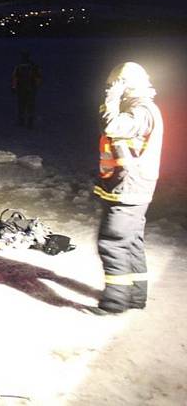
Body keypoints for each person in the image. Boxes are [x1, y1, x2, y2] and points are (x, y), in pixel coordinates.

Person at [90, 62, 163, 315]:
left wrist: (113, 96)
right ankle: (135, 297)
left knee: (113, 242)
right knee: (131, 242)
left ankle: (115, 302)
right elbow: (106, 124)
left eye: (114, 84)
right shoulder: (135, 107)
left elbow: (113, 127)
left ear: (125, 85)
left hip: (129, 188)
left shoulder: (141, 110)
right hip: (129, 186)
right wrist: (113, 100)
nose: (110, 89)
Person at [11, 51, 42, 128]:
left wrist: (14, 87)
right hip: (31, 88)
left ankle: (21, 122)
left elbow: (15, 77)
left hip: (21, 88)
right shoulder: (34, 66)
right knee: (30, 105)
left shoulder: (18, 66)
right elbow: (38, 77)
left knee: (21, 105)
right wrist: (36, 86)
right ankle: (30, 123)